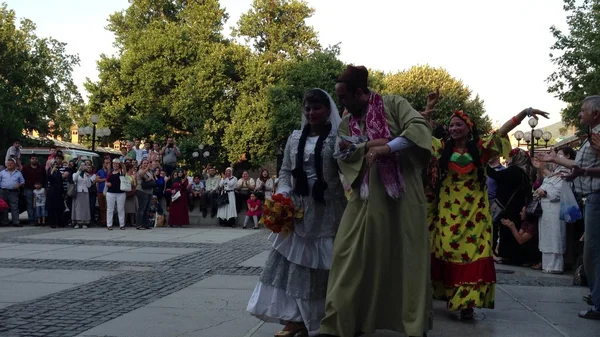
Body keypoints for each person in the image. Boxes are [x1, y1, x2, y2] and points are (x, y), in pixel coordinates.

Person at [317, 66, 432, 337]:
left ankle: (413, 327)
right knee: (347, 257)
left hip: (402, 197)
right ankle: (337, 324)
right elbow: (343, 153)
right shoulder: (348, 122)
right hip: (364, 198)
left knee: (408, 261)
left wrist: (387, 147)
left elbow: (418, 129)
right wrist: (371, 145)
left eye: (344, 98)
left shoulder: (394, 104)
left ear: (360, 92)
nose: (341, 105)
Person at [248, 88, 346, 336]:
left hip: (328, 211)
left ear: (327, 111)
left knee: (325, 265)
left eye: (316, 108)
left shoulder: (337, 140)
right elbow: (285, 172)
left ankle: (328, 317)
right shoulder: (294, 138)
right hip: (298, 209)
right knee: (293, 266)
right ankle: (296, 318)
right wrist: (283, 196)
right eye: (308, 108)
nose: (311, 113)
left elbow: (348, 173)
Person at [541, 95, 600, 320]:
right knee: (592, 253)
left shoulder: (597, 135)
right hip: (592, 198)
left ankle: (598, 303)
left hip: (596, 196)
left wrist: (582, 172)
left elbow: (584, 168)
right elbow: (580, 165)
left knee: (592, 253)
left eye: (583, 110)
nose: (579, 114)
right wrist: (556, 161)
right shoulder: (591, 135)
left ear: (595, 113)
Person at [488, 148, 534, 266]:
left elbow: (496, 175)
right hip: (518, 207)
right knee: (514, 229)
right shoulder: (525, 172)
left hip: (508, 207)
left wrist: (484, 163)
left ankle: (508, 256)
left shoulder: (514, 170)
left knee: (507, 230)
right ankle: (515, 256)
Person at [533, 147, 576, 273]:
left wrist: (545, 192)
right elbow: (543, 183)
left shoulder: (566, 172)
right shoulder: (553, 173)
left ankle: (555, 266)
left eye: (559, 155)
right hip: (546, 209)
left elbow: (559, 191)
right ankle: (547, 265)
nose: (556, 157)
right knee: (546, 236)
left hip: (555, 209)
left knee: (555, 236)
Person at [21, 155, 46, 225]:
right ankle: (31, 220)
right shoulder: (25, 168)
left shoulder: (41, 168)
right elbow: (22, 178)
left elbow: (44, 178)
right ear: (30, 160)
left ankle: (38, 220)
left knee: (39, 204)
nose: (34, 160)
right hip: (28, 188)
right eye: (33, 159)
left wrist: (44, 188)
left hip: (39, 189)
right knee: (30, 205)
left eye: (36, 159)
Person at [0, 158, 24, 227]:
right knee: (4, 208)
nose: (9, 164)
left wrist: (19, 185)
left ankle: (16, 222)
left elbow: (22, 182)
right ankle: (4, 222)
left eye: (11, 163)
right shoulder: (2, 172)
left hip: (13, 192)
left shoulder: (18, 173)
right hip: (3, 191)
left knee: (14, 207)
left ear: (14, 164)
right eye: (8, 163)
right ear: (6, 164)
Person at [47, 154, 68, 228]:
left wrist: (63, 192)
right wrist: (52, 170)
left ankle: (60, 222)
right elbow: (49, 178)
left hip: (59, 191)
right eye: (54, 164)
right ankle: (52, 222)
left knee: (60, 207)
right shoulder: (50, 171)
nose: (55, 165)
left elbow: (61, 181)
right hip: (52, 191)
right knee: (52, 208)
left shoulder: (58, 172)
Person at [106, 159, 127, 230]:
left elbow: (124, 170)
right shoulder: (110, 172)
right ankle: (109, 224)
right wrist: (107, 184)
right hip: (110, 192)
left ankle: (122, 225)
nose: (115, 165)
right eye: (114, 164)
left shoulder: (121, 172)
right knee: (110, 209)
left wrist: (122, 164)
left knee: (120, 209)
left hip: (120, 193)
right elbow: (107, 181)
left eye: (116, 164)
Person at [136, 159, 156, 230]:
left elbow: (153, 179)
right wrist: (147, 169)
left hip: (149, 191)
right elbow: (142, 175)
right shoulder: (140, 170)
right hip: (142, 191)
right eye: (144, 163)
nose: (146, 164)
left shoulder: (150, 171)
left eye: (147, 163)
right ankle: (139, 224)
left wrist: (149, 178)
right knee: (142, 208)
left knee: (147, 209)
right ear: (141, 164)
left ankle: (145, 224)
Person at [71, 162, 93, 229]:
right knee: (78, 207)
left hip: (85, 192)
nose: (83, 166)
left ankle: (84, 222)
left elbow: (89, 185)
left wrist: (89, 178)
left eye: (84, 165)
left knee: (85, 207)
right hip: (78, 192)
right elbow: (74, 179)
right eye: (82, 165)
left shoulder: (86, 174)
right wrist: (79, 170)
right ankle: (77, 222)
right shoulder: (76, 173)